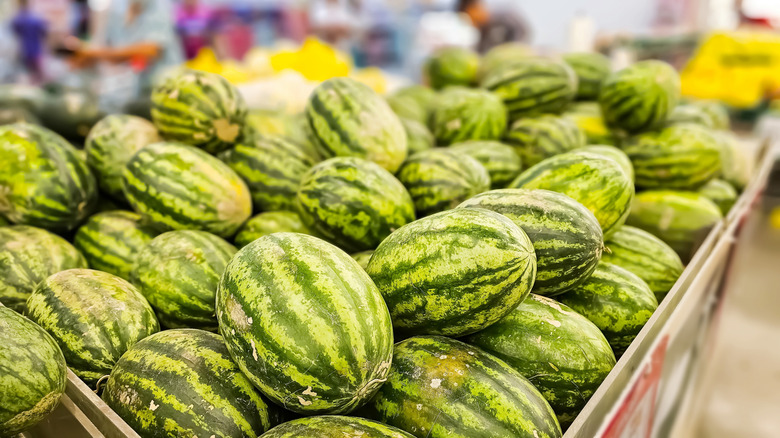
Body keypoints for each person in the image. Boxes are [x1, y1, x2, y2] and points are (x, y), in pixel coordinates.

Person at [69, 0, 184, 91]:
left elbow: (151, 49)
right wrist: (86, 57)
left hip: (171, 87)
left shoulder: (157, 6)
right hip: (142, 87)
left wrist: (94, 52)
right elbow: (114, 53)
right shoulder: (118, 9)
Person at [11, 0, 48, 82]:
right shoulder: (36, 19)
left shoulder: (18, 19)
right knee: (38, 75)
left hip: (24, 50)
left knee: (28, 74)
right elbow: (44, 33)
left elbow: (15, 33)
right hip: (35, 50)